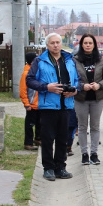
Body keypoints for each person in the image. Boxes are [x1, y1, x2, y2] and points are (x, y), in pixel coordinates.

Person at [26, 33, 78, 181]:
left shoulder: (69, 60)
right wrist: (46, 87)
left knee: (63, 138)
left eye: (58, 42)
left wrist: (75, 90)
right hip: (48, 106)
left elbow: (77, 80)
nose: (55, 45)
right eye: (52, 43)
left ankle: (60, 167)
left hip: (66, 105)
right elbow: (29, 80)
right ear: (47, 45)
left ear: (61, 44)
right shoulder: (40, 61)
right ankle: (48, 168)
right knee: (47, 138)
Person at [73, 33, 103, 165]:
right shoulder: (75, 60)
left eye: (90, 43)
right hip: (81, 99)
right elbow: (71, 80)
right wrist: (82, 86)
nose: (88, 45)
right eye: (85, 43)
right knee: (82, 127)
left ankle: (94, 154)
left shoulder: (100, 60)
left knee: (95, 127)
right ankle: (84, 153)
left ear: (94, 45)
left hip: (97, 98)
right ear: (81, 45)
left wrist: (99, 85)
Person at [21, 52, 40, 151]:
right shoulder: (26, 74)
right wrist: (26, 104)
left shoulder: (37, 72)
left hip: (39, 104)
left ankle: (38, 139)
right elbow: (23, 91)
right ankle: (28, 143)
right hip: (31, 104)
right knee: (29, 125)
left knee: (39, 123)